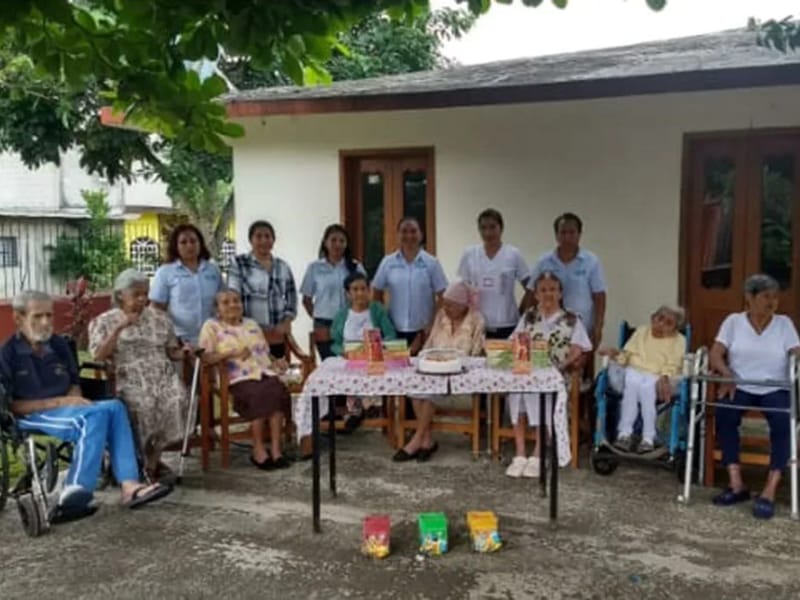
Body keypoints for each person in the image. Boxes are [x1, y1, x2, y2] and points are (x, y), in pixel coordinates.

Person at [1, 290, 171, 517]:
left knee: (114, 407)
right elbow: (11, 406)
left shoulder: (59, 345)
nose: (45, 322)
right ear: (19, 318)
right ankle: (75, 489)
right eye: (38, 316)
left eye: (49, 316)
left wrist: (75, 401)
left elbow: (74, 384)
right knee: (93, 415)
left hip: (68, 409)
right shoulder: (8, 353)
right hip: (31, 414)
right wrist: (61, 402)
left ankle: (130, 486)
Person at [709, 274, 800, 520]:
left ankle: (770, 490)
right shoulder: (733, 322)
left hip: (776, 387)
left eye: (775, 297)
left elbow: (796, 353)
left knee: (783, 423)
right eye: (766, 297)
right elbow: (715, 354)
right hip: (740, 384)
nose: (772, 302)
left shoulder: (784, 323)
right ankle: (736, 484)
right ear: (749, 298)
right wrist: (726, 373)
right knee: (725, 414)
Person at [89, 269, 191, 483]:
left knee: (176, 399)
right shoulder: (105, 321)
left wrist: (185, 352)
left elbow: (172, 352)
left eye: (145, 294)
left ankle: (152, 462)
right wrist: (119, 328)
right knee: (144, 406)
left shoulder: (160, 319)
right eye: (136, 294)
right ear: (120, 296)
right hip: (129, 376)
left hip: (162, 374)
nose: (142, 299)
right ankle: (136, 462)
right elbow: (99, 354)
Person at [505, 271, 592, 478]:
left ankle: (537, 453)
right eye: (543, 290)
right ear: (535, 294)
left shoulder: (572, 319)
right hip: (526, 373)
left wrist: (572, 359)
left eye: (552, 289)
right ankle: (519, 454)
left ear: (560, 293)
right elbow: (512, 341)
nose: (548, 294)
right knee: (516, 390)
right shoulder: (529, 316)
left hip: (557, 376)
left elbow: (582, 351)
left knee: (541, 393)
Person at [198, 289, 292, 470]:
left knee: (277, 391)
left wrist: (277, 362)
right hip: (236, 378)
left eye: (236, 301)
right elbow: (205, 358)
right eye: (226, 302)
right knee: (259, 394)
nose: (233, 305)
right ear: (217, 309)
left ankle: (276, 450)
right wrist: (229, 353)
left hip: (265, 373)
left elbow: (264, 352)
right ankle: (258, 450)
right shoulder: (212, 326)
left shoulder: (251, 324)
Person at [393, 281, 485, 463]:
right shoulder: (441, 316)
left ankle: (417, 440)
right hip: (433, 368)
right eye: (445, 303)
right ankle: (426, 440)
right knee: (415, 390)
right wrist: (424, 360)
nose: (445, 307)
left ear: (462, 304)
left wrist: (454, 365)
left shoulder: (477, 319)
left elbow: (476, 355)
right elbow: (429, 345)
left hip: (459, 375)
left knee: (429, 393)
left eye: (450, 304)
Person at [598, 305, 686, 454]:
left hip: (657, 375)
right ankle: (625, 435)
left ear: (675, 329)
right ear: (653, 318)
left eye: (669, 323)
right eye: (660, 319)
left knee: (647, 389)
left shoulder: (679, 340)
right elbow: (627, 355)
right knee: (632, 384)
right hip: (634, 370)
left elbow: (674, 363)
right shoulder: (641, 332)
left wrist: (665, 376)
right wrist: (615, 354)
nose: (662, 324)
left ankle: (648, 438)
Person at [526, 212, 606, 348]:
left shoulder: (591, 261)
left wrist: (598, 327)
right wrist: (528, 320)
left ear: (579, 234)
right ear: (556, 235)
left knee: (581, 366)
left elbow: (599, 296)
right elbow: (531, 293)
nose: (567, 237)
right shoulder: (544, 261)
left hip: (582, 329)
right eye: (562, 232)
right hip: (548, 331)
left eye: (572, 232)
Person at [372, 216, 448, 356]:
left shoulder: (431, 263)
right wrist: (383, 321)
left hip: (424, 332)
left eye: (413, 231)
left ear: (421, 234)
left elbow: (443, 297)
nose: (409, 235)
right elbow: (376, 293)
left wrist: (432, 324)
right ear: (398, 235)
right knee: (395, 373)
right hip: (393, 331)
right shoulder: (388, 262)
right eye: (404, 231)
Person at [228, 220, 298, 358]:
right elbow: (233, 296)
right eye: (258, 236)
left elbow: (292, 298)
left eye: (268, 236)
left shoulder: (282, 266)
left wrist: (286, 322)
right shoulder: (240, 263)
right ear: (251, 240)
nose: (264, 240)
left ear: (273, 240)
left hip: (277, 334)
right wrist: (246, 327)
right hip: (249, 335)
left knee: (278, 374)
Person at [457, 209, 529, 340]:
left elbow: (530, 288)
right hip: (477, 325)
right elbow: (461, 289)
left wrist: (522, 312)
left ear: (501, 228)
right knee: (477, 360)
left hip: (507, 324)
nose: (488, 232)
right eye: (483, 228)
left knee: (505, 360)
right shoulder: (470, 254)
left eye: (492, 227)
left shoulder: (513, 254)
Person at [149, 224, 224, 345]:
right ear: (176, 246)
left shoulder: (212, 270)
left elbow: (221, 300)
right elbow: (156, 307)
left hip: (213, 335)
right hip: (179, 338)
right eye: (183, 242)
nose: (189, 245)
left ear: (200, 243)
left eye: (193, 241)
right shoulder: (165, 272)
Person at [301, 224, 365, 360]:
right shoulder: (315, 268)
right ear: (325, 242)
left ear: (347, 244)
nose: (338, 244)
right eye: (333, 240)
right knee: (329, 364)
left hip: (350, 322)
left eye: (342, 241)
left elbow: (365, 296)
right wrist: (318, 317)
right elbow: (306, 299)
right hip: (323, 325)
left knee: (351, 364)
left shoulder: (355, 267)